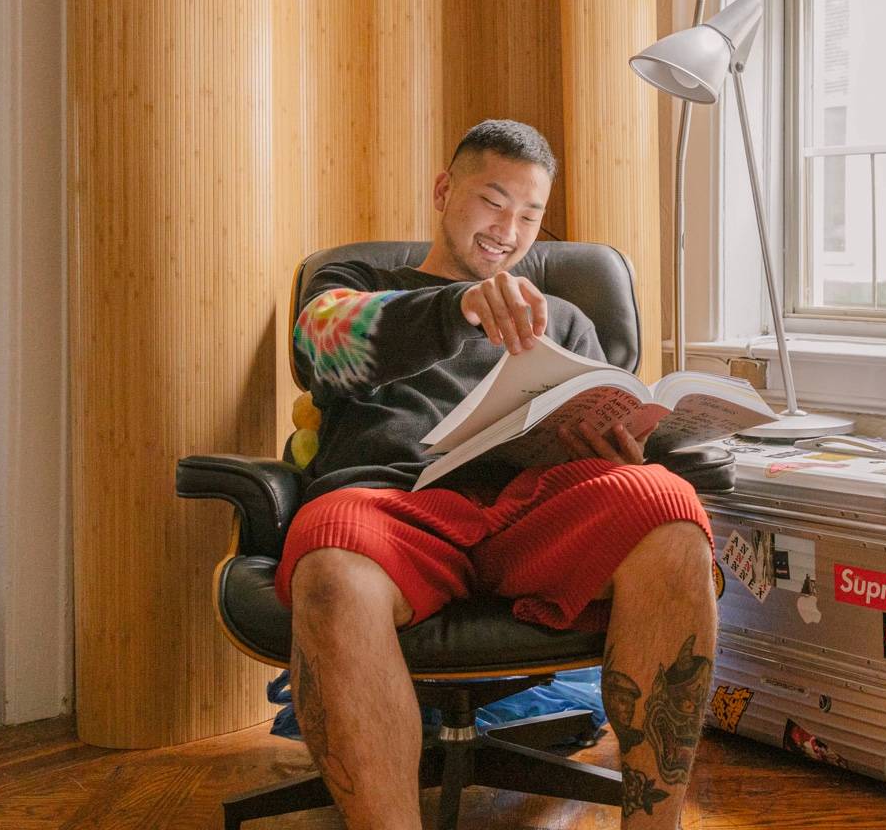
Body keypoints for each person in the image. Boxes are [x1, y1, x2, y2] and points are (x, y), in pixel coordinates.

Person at [279, 118, 717, 829]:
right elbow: (324, 342)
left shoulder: (567, 319)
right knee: (328, 568)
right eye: (492, 200)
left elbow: (599, 413)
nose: (507, 230)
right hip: (395, 501)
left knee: (669, 510)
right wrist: (458, 308)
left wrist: (614, 448)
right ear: (445, 190)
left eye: (529, 215)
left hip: (534, 505)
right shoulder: (358, 281)